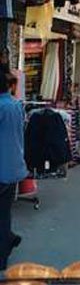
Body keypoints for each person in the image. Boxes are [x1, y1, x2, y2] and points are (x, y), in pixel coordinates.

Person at [0, 68, 27, 270]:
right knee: (4, 212)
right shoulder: (15, 105)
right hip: (13, 168)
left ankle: (3, 251)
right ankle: (7, 239)